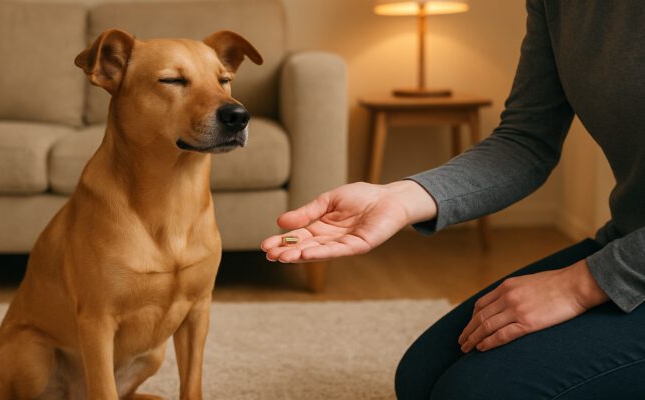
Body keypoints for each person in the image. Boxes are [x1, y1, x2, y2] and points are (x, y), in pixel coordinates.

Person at [261, 1, 645, 399]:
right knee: (421, 376)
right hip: (625, 238)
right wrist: (401, 197)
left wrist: (582, 284)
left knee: (469, 393)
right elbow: (525, 141)